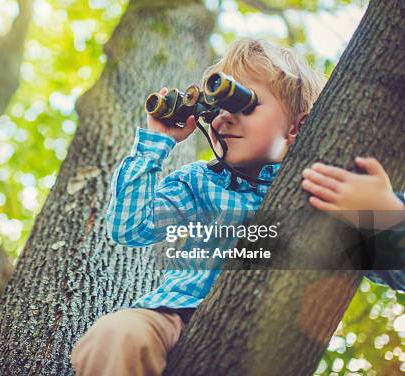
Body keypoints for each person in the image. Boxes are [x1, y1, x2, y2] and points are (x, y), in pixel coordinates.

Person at [69, 38, 404, 376]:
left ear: (297, 127)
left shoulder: (323, 196)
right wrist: (157, 142)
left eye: (243, 102)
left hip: (264, 347)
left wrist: (384, 212)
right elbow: (130, 227)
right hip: (174, 321)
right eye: (213, 111)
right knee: (116, 334)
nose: (221, 120)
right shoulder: (200, 182)